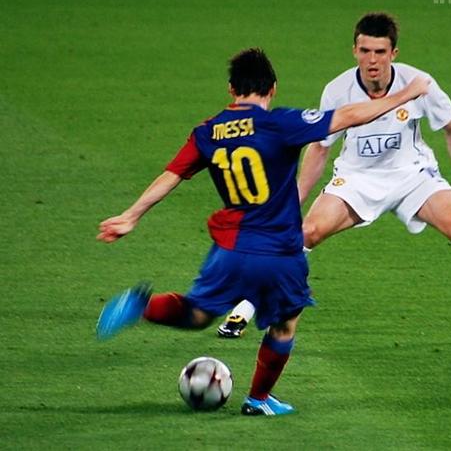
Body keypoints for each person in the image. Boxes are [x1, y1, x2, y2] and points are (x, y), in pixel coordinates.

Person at [95, 47, 430, 416]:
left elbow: (172, 175)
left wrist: (131, 215)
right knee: (285, 322)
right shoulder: (281, 123)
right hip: (280, 252)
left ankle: (141, 306)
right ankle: (258, 398)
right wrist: (406, 93)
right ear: (272, 88)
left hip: (230, 249)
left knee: (197, 315)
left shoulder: (208, 131)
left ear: (231, 89)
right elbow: (349, 115)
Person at [218, 13, 451, 344]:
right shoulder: (338, 90)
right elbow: (320, 147)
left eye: (379, 52)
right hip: (356, 179)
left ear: (393, 53)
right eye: (365, 51)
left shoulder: (418, 83)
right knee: (307, 233)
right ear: (354, 51)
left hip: (412, 175)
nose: (371, 60)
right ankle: (245, 307)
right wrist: (297, 197)